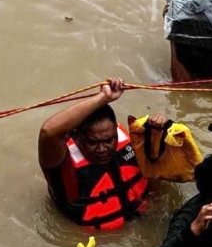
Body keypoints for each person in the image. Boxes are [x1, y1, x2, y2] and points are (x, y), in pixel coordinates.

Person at [38, 78, 169, 230]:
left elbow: (161, 173)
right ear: (78, 137)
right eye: (93, 142)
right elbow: (48, 132)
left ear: (115, 132)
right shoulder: (65, 168)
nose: (102, 149)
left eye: (108, 140)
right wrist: (103, 97)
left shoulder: (132, 142)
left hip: (146, 220)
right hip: (101, 243)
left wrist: (159, 132)